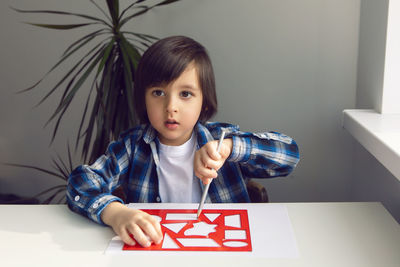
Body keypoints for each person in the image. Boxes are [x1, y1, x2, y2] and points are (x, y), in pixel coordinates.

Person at [67, 35, 300, 248]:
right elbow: (81, 182)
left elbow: (289, 154)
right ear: (143, 99)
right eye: (158, 93)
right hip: (156, 253)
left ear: (205, 103)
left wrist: (230, 148)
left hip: (224, 252)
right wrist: (116, 213)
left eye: (186, 94)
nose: (171, 107)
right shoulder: (132, 146)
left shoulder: (222, 141)